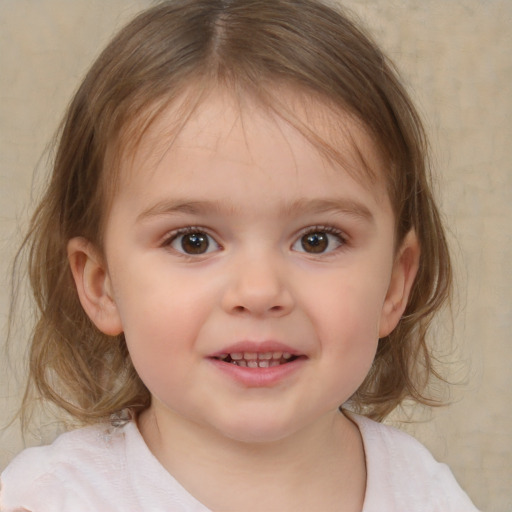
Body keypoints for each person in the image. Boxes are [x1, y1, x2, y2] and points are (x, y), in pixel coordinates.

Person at [0, 0, 479, 510]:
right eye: (193, 241)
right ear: (101, 284)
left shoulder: (427, 495)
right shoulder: (51, 501)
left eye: (318, 239)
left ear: (394, 283)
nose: (258, 292)